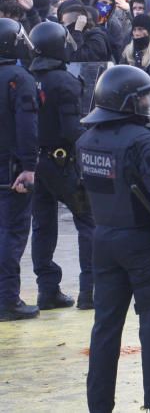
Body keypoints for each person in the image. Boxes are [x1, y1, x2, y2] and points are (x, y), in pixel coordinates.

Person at [76, 64, 150, 413]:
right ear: (126, 101)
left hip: (104, 240)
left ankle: (99, 406)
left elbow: (81, 192)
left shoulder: (86, 140)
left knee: (105, 329)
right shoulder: (143, 140)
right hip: (143, 242)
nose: (148, 104)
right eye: (142, 98)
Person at [27, 22, 96, 312]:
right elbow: (71, 129)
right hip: (63, 163)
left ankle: (47, 290)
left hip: (35, 162)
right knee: (88, 221)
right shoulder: (64, 81)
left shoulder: (28, 77)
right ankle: (89, 291)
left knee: (42, 225)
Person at [0, 19, 39, 321]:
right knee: (11, 233)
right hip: (12, 169)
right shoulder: (19, 78)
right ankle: (7, 299)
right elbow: (27, 125)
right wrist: (29, 166)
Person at [122, 14, 150, 80]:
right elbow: (121, 72)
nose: (137, 33)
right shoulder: (128, 50)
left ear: (149, 31)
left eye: (140, 29)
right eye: (134, 30)